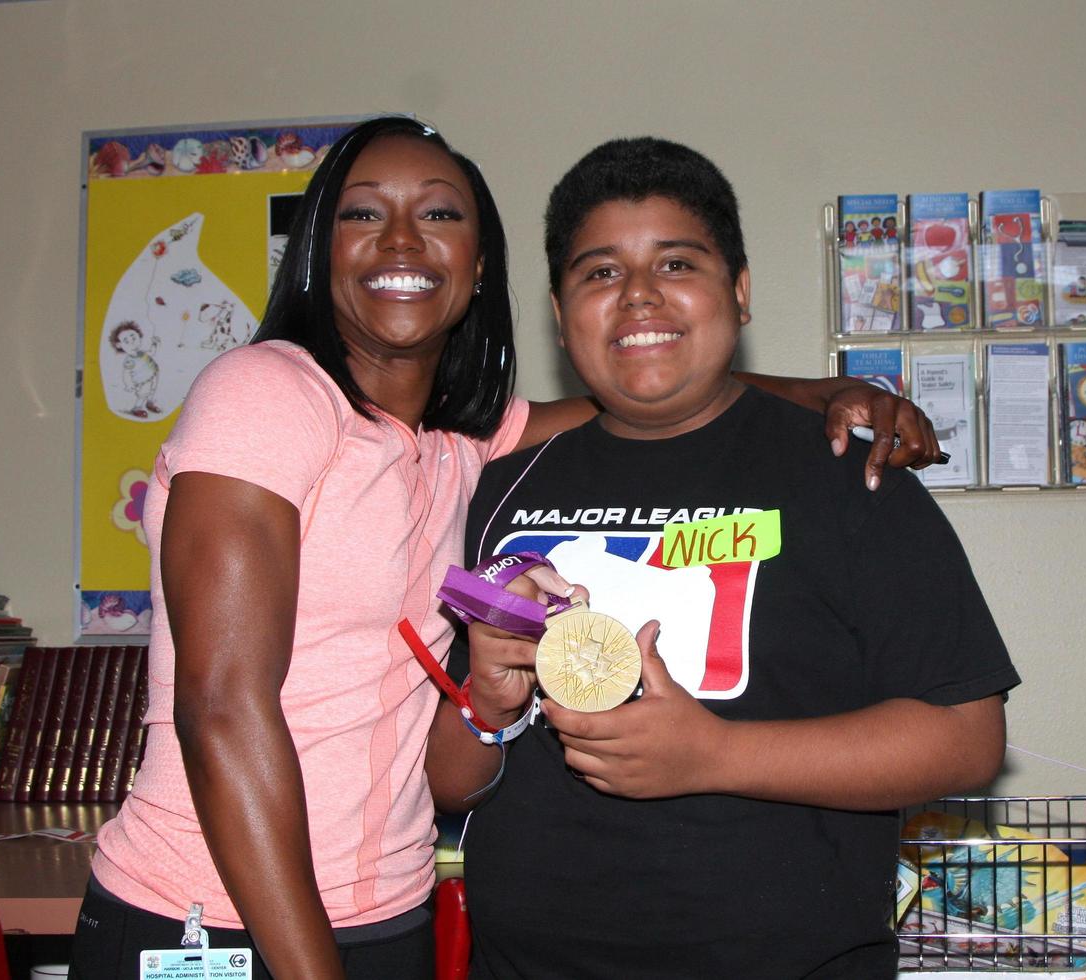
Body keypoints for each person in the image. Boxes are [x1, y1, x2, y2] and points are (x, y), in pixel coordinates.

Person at [69, 117, 940, 979]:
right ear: (316, 252)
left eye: (440, 215)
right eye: (363, 214)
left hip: (381, 912)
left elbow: (644, 382)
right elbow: (220, 708)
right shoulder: (267, 392)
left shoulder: (459, 446)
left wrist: (828, 388)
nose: (402, 238)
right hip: (218, 919)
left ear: (479, 264)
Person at [434, 137, 1020, 978]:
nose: (637, 296)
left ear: (737, 293)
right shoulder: (502, 490)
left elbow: (964, 740)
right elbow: (453, 784)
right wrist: (485, 704)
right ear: (561, 316)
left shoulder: (850, 478)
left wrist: (714, 756)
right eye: (599, 273)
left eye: (675, 263)